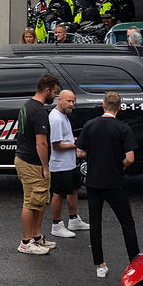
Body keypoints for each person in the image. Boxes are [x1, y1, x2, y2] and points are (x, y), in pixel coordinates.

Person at [76, 91, 140, 278]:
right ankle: (134, 264)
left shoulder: (90, 125)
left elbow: (80, 152)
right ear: (119, 108)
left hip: (94, 182)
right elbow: (130, 158)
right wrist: (120, 166)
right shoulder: (122, 128)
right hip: (115, 182)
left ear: (104, 106)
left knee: (95, 224)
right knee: (127, 223)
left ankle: (100, 265)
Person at [14, 73, 61, 255]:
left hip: (25, 158)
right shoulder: (39, 111)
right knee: (31, 201)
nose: (55, 96)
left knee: (40, 200)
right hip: (31, 162)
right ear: (47, 90)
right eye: (55, 92)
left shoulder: (28, 105)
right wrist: (46, 166)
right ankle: (26, 242)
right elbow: (41, 142)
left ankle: (36, 237)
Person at [48, 90, 91, 239]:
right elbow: (56, 145)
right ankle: (56, 225)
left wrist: (74, 141)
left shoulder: (63, 116)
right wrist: (77, 144)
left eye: (73, 101)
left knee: (74, 189)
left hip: (70, 163)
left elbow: (65, 139)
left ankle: (73, 220)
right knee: (58, 193)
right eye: (69, 101)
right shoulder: (56, 119)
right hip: (60, 165)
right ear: (60, 100)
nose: (71, 104)